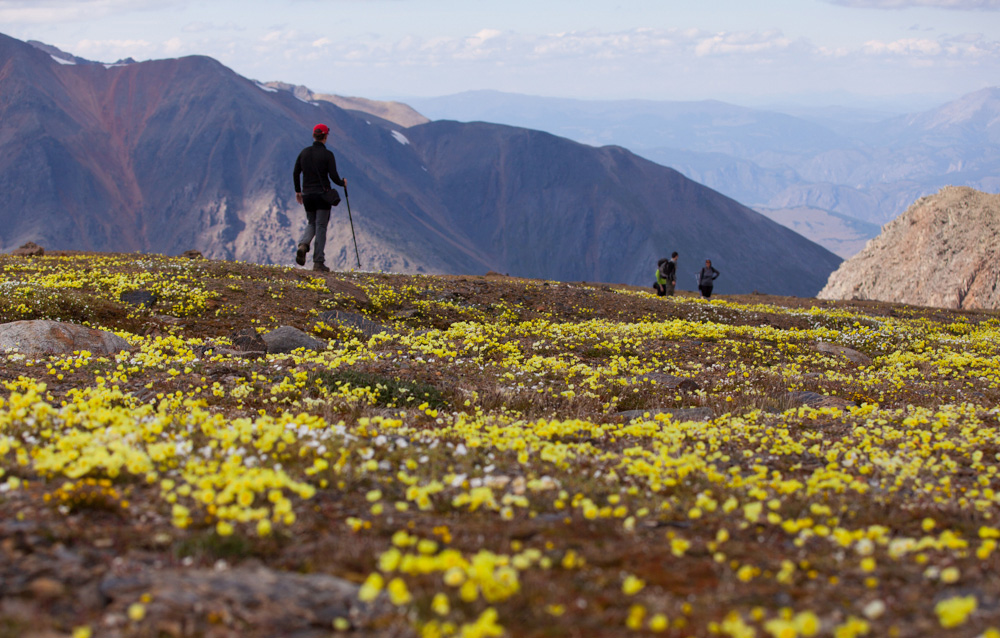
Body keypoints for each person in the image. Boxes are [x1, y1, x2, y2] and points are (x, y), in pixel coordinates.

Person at [293, 123, 346, 272]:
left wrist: (298, 191)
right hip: (322, 196)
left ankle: (303, 244)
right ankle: (318, 262)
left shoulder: (304, 153)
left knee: (311, 223)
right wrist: (342, 183)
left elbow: (296, 172)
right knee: (321, 226)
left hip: (307, 195)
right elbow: (334, 176)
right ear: (325, 136)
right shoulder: (328, 155)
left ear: (313, 135)